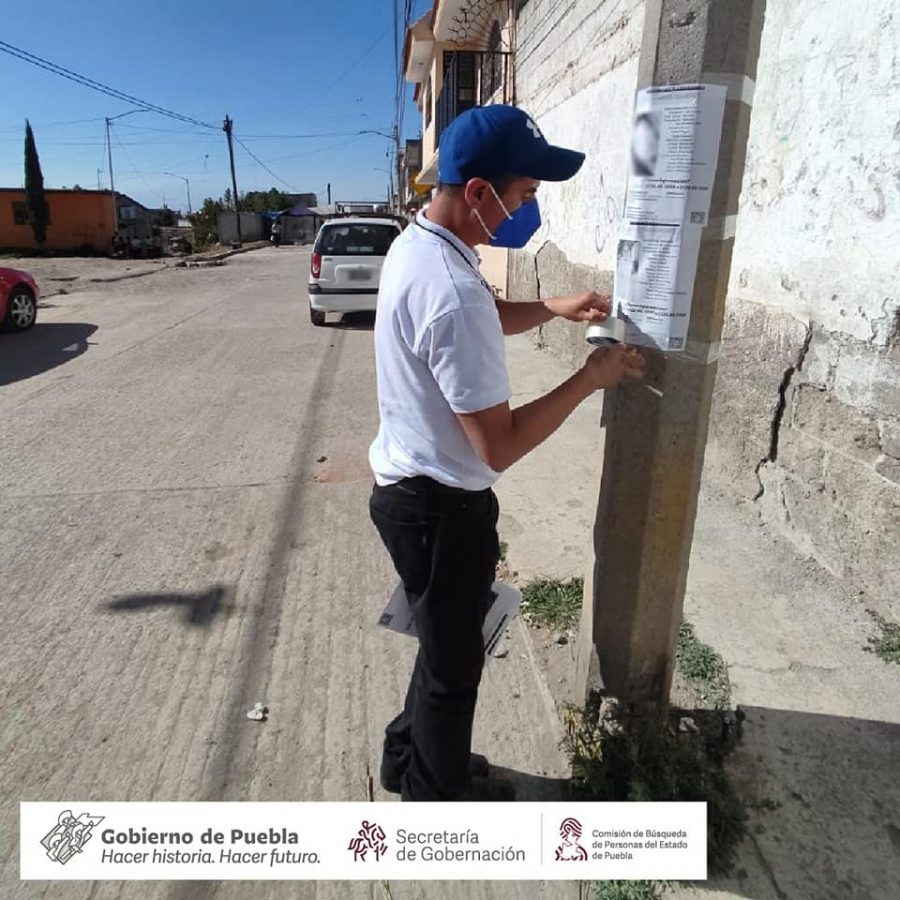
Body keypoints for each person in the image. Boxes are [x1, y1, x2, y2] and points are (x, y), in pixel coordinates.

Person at [368, 104, 645, 802]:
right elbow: (498, 447)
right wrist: (589, 378)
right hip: (440, 509)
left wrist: (551, 305)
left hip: (410, 492)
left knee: (441, 643)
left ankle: (408, 760)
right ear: (480, 194)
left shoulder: (421, 245)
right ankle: (436, 797)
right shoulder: (454, 292)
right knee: (454, 665)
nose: (530, 208)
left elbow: (482, 314)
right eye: (525, 194)